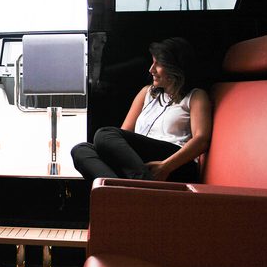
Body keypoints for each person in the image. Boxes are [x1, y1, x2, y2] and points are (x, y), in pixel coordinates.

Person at [71, 37, 211, 184]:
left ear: (175, 67)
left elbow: (201, 140)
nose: (151, 70)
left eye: (158, 64)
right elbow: (121, 137)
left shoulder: (195, 96)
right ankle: (124, 191)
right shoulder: (147, 93)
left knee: (104, 134)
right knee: (81, 150)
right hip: (139, 164)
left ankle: (139, 184)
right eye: (152, 62)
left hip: (176, 164)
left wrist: (166, 166)